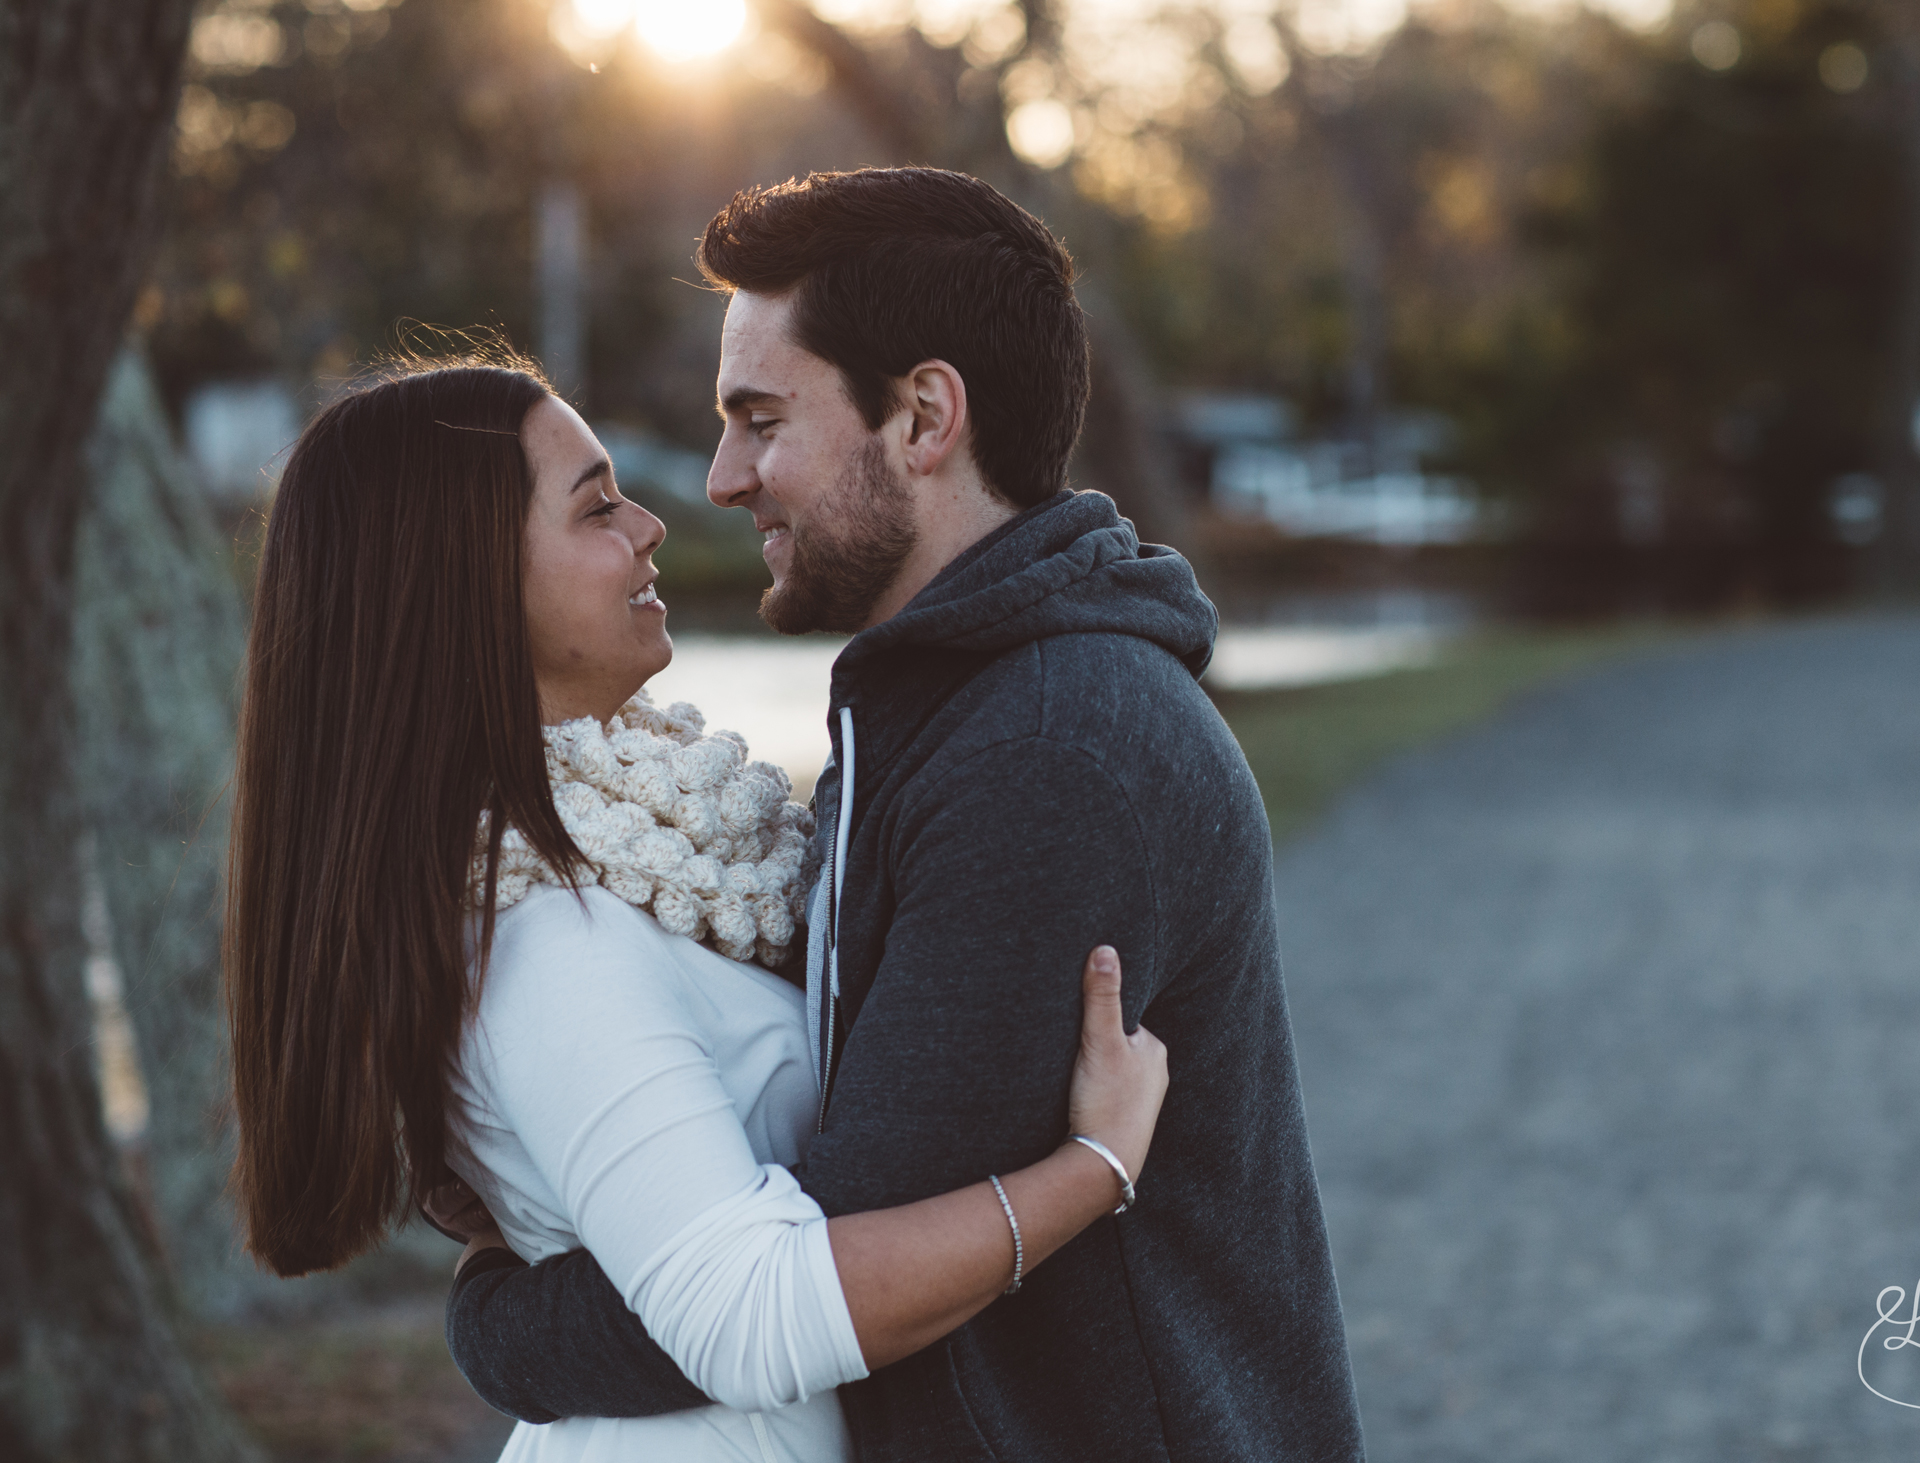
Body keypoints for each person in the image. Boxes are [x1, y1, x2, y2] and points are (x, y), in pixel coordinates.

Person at [440, 168, 1366, 1460]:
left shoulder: (1050, 750)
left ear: (924, 415)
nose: (718, 479)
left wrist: (500, 1321)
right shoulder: (942, 707)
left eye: (760, 419)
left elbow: (808, 1273)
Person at [223, 357, 1170, 1463]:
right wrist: (1092, 1167)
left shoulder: (639, 859)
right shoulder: (545, 935)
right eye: (595, 506)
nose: (651, 524)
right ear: (466, 582)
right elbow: (743, 1315)